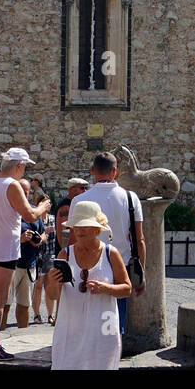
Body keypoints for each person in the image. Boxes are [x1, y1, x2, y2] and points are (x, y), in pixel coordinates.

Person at [0, 148, 49, 360]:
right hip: (5, 249)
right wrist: (43, 207)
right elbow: (29, 213)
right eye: (24, 167)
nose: (23, 172)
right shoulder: (12, 185)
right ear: (19, 166)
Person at [44, 200, 132, 370]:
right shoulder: (65, 254)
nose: (79, 230)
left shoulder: (110, 254)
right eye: (76, 226)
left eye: (84, 225)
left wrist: (106, 288)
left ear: (96, 228)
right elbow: (53, 295)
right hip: (70, 329)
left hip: (103, 328)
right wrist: (53, 281)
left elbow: (127, 289)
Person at [72, 151, 145, 340]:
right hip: (120, 267)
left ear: (92, 171)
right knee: (113, 327)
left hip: (86, 266)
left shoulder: (79, 200)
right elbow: (139, 239)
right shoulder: (130, 198)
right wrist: (141, 274)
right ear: (115, 172)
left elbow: (74, 239)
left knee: (84, 322)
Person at [10, 179, 47, 330]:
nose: (25, 194)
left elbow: (44, 233)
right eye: (22, 191)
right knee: (4, 305)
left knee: (25, 305)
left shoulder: (33, 211)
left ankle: (21, 337)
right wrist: (21, 239)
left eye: (27, 191)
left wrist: (38, 240)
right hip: (12, 265)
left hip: (29, 265)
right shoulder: (9, 209)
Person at [33, 194, 65, 325]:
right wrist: (46, 230)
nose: (48, 205)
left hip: (51, 254)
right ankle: (36, 314)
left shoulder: (53, 218)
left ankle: (50, 315)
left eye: (49, 202)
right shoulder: (35, 219)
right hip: (38, 255)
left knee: (50, 285)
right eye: (45, 202)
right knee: (38, 286)